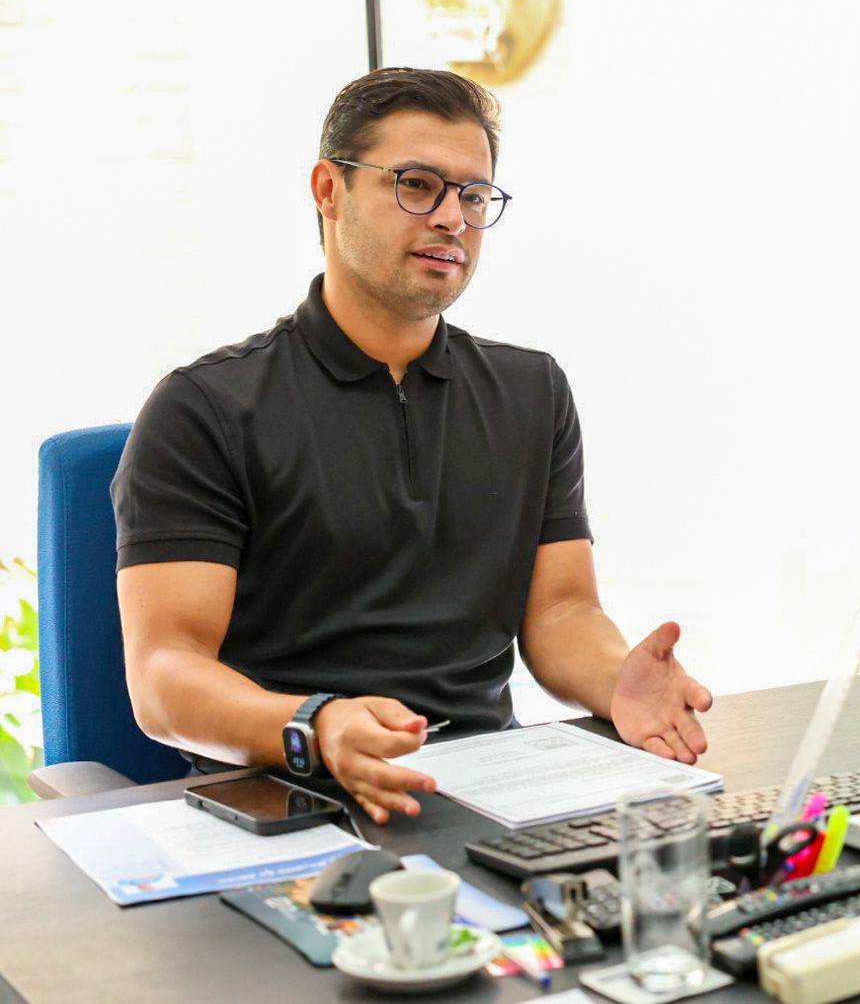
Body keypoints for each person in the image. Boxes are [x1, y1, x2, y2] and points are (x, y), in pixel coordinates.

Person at [113, 68, 712, 825]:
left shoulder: (533, 392)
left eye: (474, 196)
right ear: (329, 190)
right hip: (290, 794)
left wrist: (616, 678)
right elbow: (165, 674)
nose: (453, 219)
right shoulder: (205, 408)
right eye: (418, 185)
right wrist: (314, 726)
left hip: (489, 789)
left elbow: (562, 612)